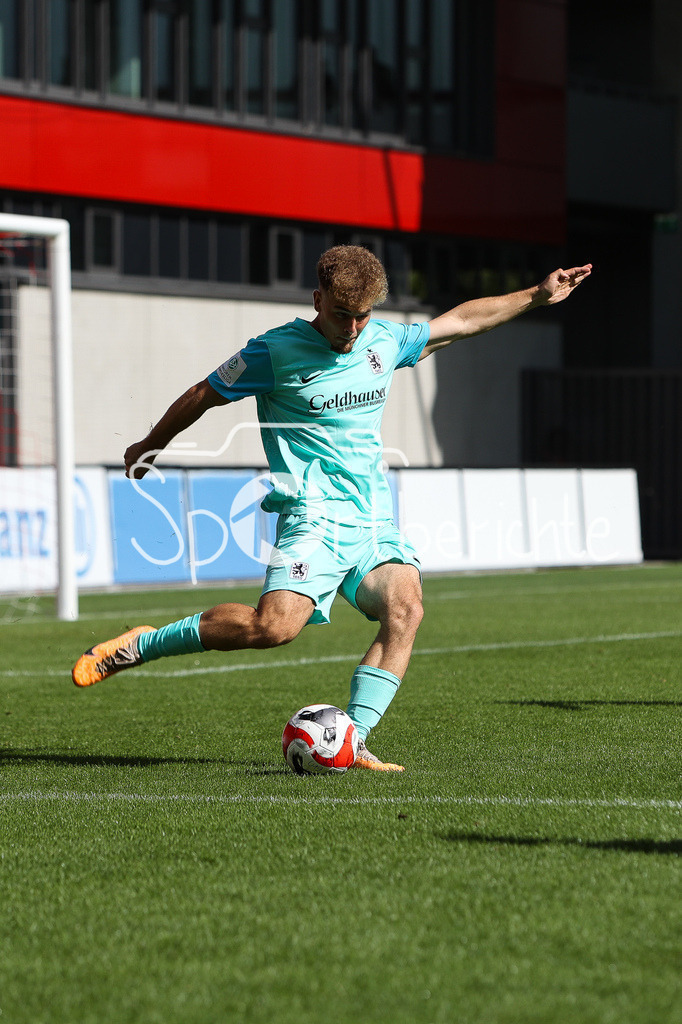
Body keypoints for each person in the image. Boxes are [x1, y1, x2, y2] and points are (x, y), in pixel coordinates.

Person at [72, 246, 591, 771]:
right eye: (342, 314)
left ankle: (353, 740)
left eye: (362, 315)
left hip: (371, 522)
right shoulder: (273, 353)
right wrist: (148, 444)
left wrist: (536, 295)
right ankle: (143, 643)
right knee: (271, 629)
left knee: (405, 609)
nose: (352, 327)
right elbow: (203, 392)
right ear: (318, 300)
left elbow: (457, 323)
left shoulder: (382, 341)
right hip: (313, 518)